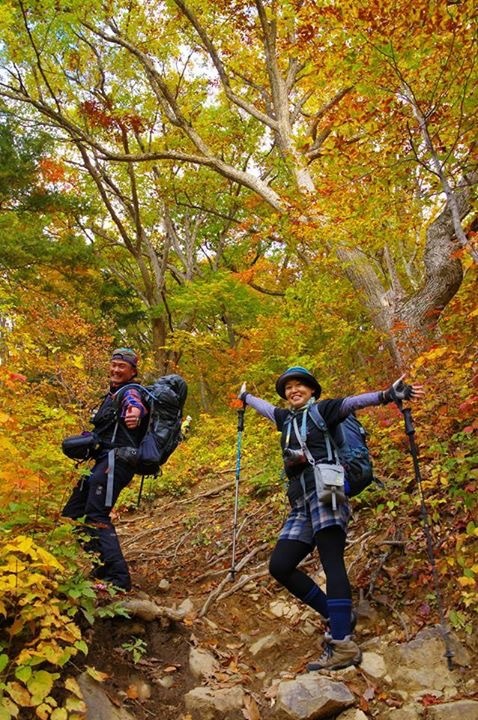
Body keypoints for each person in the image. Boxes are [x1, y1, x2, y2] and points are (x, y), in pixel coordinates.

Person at [239, 366, 424, 671]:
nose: (293, 390)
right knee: (280, 566)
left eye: (300, 385)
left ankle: (342, 644)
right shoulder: (285, 419)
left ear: (312, 390)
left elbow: (353, 402)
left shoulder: (324, 410)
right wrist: (245, 397)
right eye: (288, 387)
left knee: (331, 560)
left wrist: (388, 395)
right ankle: (337, 613)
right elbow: (266, 408)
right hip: (300, 499)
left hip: (330, 489)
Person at [62, 348, 149, 591]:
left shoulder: (130, 392)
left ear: (132, 371)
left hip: (116, 462)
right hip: (102, 461)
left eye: (122, 366)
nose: (116, 369)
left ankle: (118, 579)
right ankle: (101, 565)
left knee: (97, 515)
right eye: (114, 364)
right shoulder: (109, 396)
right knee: (74, 513)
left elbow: (135, 405)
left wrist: (135, 413)